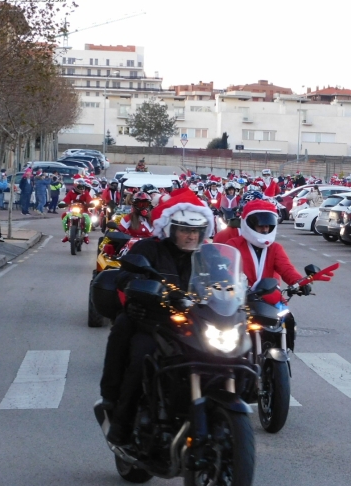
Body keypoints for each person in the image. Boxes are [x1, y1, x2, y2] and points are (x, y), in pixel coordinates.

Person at [100, 189, 214, 445]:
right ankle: (122, 423)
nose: (191, 235)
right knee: (142, 357)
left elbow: (230, 281)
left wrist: (245, 295)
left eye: (195, 231)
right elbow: (125, 275)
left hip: (196, 326)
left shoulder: (208, 256)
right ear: (170, 229)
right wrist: (139, 290)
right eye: (185, 230)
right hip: (155, 323)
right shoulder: (149, 248)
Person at [226, 199, 307, 353]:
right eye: (260, 225)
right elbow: (224, 268)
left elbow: (287, 268)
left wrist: (300, 282)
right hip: (240, 300)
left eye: (267, 225)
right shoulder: (234, 244)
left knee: (287, 319)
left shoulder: (275, 248)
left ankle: (284, 351)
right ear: (249, 224)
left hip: (270, 300)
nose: (264, 229)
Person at [60, 179, 93, 244]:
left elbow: (89, 199)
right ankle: (67, 234)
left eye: (82, 187)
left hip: (84, 211)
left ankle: (86, 235)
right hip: (72, 211)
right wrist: (62, 203)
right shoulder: (70, 193)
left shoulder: (86, 193)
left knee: (89, 220)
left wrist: (91, 203)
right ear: (75, 186)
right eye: (79, 187)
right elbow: (65, 199)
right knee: (64, 215)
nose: (81, 189)